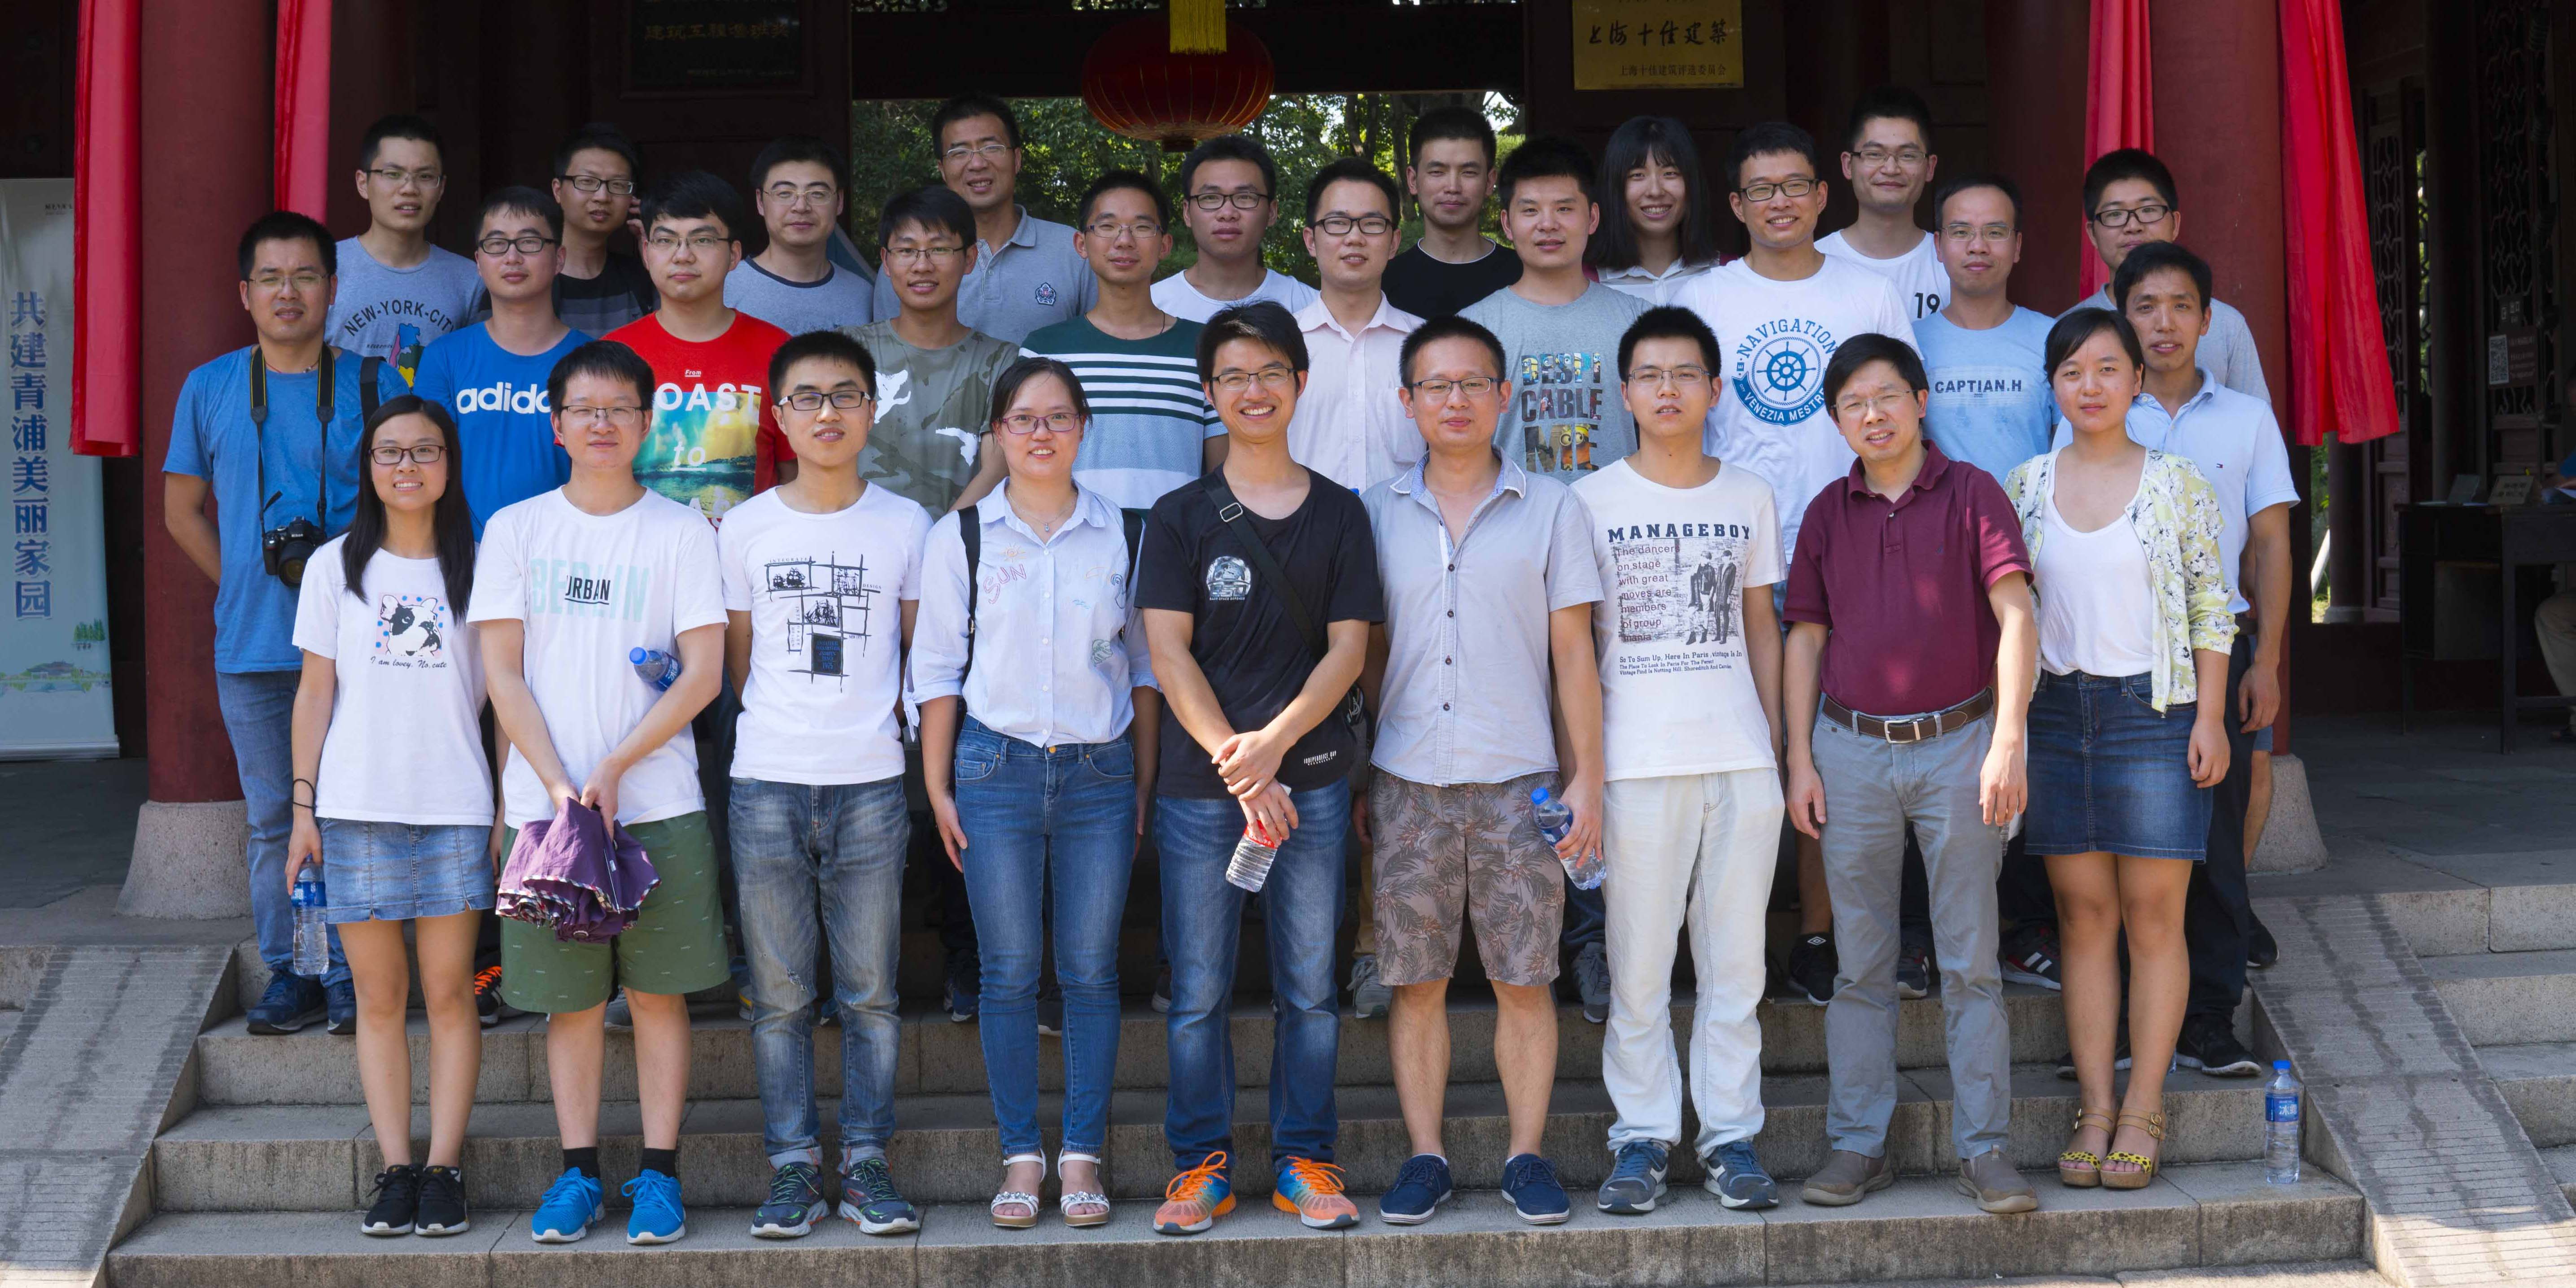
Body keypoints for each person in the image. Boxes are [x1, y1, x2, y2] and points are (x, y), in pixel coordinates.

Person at [471, 339, 731, 1246]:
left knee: (658, 995)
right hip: (546, 814)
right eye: (584, 409)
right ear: (557, 424)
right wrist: (556, 785)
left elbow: (704, 673)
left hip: (656, 799)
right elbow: (502, 673)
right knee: (571, 1001)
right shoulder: (516, 529)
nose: (603, 423)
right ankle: (577, 1173)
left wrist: (615, 766)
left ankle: (660, 1175)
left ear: (647, 421)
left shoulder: (683, 530)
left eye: (621, 408)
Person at [1781, 333, 2039, 1216]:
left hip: (1959, 743)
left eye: (1887, 395)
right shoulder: (1827, 511)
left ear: (1921, 401)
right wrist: (1799, 755)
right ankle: (1858, 1142)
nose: (1873, 415)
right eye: (1854, 403)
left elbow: (2016, 613)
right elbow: (1804, 638)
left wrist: (2008, 739)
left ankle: (1986, 1147)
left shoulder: (1971, 492)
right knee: (1861, 965)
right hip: (1849, 749)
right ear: (1836, 419)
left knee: (1970, 960)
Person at [1137, 302, 1381, 1236]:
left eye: (1271, 371)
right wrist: (1241, 766)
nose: (1254, 389)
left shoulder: (1341, 511)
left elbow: (1349, 650)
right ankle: (1199, 1166)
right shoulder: (1180, 516)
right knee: (1197, 991)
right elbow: (1168, 653)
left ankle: (1304, 1159)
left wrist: (1274, 746)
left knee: (1310, 989)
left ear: (1300, 383)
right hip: (1204, 793)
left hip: (1310, 780)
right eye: (1234, 375)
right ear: (1210, 392)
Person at [1360, 314, 1603, 1228]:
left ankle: (1525, 1155)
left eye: (1472, 383)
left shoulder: (1553, 507)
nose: (1454, 400)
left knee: (1524, 977)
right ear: (1408, 400)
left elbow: (1573, 653)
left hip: (1521, 778)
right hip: (1408, 776)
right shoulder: (1374, 510)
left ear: (1505, 396)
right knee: (1415, 979)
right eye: (1436, 385)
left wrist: (1587, 779)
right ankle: (1425, 1156)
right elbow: (1366, 650)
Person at [914, 358, 1160, 1231]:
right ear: (999, 433)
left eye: (1058, 417)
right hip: (994, 769)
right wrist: (937, 784)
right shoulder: (962, 537)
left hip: (1100, 772)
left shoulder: (1123, 531)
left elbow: (1144, 667)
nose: (1041, 433)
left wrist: (1143, 778)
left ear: (1084, 428)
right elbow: (936, 669)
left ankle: (1082, 1155)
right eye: (1023, 419)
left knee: (1091, 970)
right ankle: (1021, 1153)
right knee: (1010, 971)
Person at [1675, 120, 1915, 1008]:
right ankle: (1721, 940)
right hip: (1734, 560)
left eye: (1793, 186)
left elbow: (1902, 423)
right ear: (1735, 206)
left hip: (1850, 555)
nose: (1778, 202)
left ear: (1822, 195)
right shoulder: (1704, 299)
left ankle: (1820, 935)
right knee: (1729, 753)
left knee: (1833, 756)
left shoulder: (1870, 295)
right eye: (1759, 190)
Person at [2006, 308, 2234, 1193]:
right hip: (2057, 715)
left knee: (2153, 916)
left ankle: (2144, 1107)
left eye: (2108, 368)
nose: (2090, 385)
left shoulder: (2177, 483)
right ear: (2053, 387)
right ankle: (2094, 1108)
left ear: (2138, 381)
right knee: (2082, 916)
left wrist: (2209, 717)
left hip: (2156, 712)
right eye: (2072, 371)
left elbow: (2212, 604)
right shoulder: (2025, 485)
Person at [2059, 241, 2297, 1078]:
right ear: (2121, 316)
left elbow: (2272, 544)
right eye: (2145, 307)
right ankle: (2124, 1027)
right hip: (2112, 663)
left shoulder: (2245, 418)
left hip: (2215, 655)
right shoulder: (2095, 406)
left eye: (2181, 306)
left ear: (2207, 319)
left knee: (2215, 847)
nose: (2163, 323)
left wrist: (2267, 661)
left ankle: (2208, 1021)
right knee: (2117, 854)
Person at [718, 331, 931, 1239]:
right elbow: (738, 663)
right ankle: (794, 1168)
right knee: (779, 995)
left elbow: (920, 653)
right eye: (806, 397)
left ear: (872, 410)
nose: (827, 412)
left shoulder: (908, 525)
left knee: (872, 991)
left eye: (846, 394)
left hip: (872, 781)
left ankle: (869, 1162)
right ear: (779, 415)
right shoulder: (745, 527)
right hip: (767, 779)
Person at [1579, 307, 1788, 1216]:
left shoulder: (1749, 494)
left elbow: (1761, 625)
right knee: (1637, 965)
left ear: (1713, 389)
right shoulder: (1588, 502)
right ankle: (1642, 1136)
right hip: (1633, 762)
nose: (1668, 389)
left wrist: (1778, 744)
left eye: (1685, 373)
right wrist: (1581, 766)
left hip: (1740, 756)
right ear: (1625, 393)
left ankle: (1730, 1135)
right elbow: (1573, 646)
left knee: (1736, 962)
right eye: (1650, 374)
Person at [166, 210, 391, 1035]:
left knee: (354, 814)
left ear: (332, 289)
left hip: (361, 646)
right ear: (245, 293)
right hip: (256, 645)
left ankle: (354, 972)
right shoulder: (210, 386)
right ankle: (294, 971)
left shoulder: (375, 385)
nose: (287, 292)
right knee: (272, 820)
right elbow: (181, 510)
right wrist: (245, 583)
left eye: (304, 276)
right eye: (271, 278)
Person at [285, 396, 491, 1238]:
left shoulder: (483, 565)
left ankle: (444, 1169)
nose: (407, 466)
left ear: (449, 464)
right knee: (378, 997)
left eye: (424, 451)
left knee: (449, 993)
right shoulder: (334, 566)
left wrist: (509, 811)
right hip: (355, 805)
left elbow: (506, 695)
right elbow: (314, 693)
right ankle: (396, 1168)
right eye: (389, 452)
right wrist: (303, 809)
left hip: (456, 805)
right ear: (368, 467)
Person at [1457, 132, 1644, 1026]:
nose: (1547, 224)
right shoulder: (1480, 327)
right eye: (1529, 210)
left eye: (1565, 207)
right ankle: (1531, 938)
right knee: (1530, 754)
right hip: (1512, 566)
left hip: (1617, 564)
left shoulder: (1632, 321)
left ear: (1593, 218)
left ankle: (1598, 939)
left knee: (1600, 750)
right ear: (1505, 223)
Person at [1909, 171, 2064, 992]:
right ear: (1936, 246)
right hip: (1930, 579)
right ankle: (1922, 934)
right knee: (1928, 750)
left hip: (2029, 577)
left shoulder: (2049, 341)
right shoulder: (1909, 343)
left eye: (1994, 231)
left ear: (2018, 245)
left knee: (2024, 742)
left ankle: (2026, 924)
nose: (1977, 245)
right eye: (1961, 231)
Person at [1022, 170, 1225, 512]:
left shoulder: (1206, 348)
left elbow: (1223, 476)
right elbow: (1025, 465)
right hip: (1071, 540)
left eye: (1142, 227)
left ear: (1165, 245)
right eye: (1107, 226)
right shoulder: (1044, 351)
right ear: (1081, 244)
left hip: (1177, 542)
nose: (1124, 240)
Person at [604, 171, 791, 522]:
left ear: (734, 254)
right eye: (666, 240)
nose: (683, 255)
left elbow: (795, 475)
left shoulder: (780, 352)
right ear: (646, 252)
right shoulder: (611, 355)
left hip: (745, 554)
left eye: (703, 240)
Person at [410, 188, 585, 537]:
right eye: (497, 244)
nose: (512, 257)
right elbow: (427, 463)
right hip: (465, 551)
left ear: (560, 258)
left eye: (530, 243)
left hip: (565, 549)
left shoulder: (592, 360)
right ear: (478, 261)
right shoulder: (444, 357)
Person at [838, 185, 1019, 516]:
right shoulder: (848, 351)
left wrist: (941, 539)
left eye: (939, 249)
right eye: (907, 250)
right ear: (886, 261)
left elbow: (996, 467)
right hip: (861, 538)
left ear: (970, 258)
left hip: (959, 541)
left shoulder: (1001, 361)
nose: (922, 266)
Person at [874, 94, 1094, 344]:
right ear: (942, 169)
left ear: (1017, 159)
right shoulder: (906, 261)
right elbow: (888, 355)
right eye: (960, 152)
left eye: (991, 148)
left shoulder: (1073, 251)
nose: (977, 164)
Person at [2063, 149, 2269, 403]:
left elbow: (2254, 419)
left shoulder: (2227, 326)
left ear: (2175, 224)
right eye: (2115, 214)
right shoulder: (2069, 330)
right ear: (2092, 234)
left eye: (2148, 210)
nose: (2133, 226)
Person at [324, 115, 480, 378]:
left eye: (425, 176)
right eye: (393, 174)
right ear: (363, 183)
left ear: (441, 188)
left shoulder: (470, 279)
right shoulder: (325, 267)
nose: (409, 189)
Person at [1153, 136, 1320, 323]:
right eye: (1210, 198)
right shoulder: (1152, 306)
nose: (1227, 213)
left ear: (1272, 212)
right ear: (1187, 213)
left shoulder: (1310, 308)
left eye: (1245, 197)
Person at [1817, 87, 1949, 322]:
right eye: (1874, 154)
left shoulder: (1952, 265)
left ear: (1930, 167)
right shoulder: (1815, 262)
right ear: (1848, 165)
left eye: (1907, 156)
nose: (1891, 169)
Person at [725, 136, 876, 336]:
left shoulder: (862, 296)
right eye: (785, 193)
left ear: (839, 201)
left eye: (817, 194)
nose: (801, 207)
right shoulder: (724, 288)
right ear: (760, 202)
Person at [1382, 106, 1521, 320]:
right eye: (1437, 172)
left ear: (1489, 181)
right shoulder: (1384, 284)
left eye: (1469, 172)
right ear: (1413, 180)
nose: (1453, 187)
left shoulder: (1523, 275)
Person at [1589, 116, 1725, 305]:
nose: (1655, 191)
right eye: (1638, 175)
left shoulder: (1726, 274)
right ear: (1614, 189)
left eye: (1670, 174)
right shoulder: (1586, 285)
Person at [543, 123, 660, 335]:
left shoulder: (642, 279)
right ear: (558, 191)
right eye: (587, 182)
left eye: (618, 185)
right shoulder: (528, 276)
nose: (603, 197)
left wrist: (656, 255)